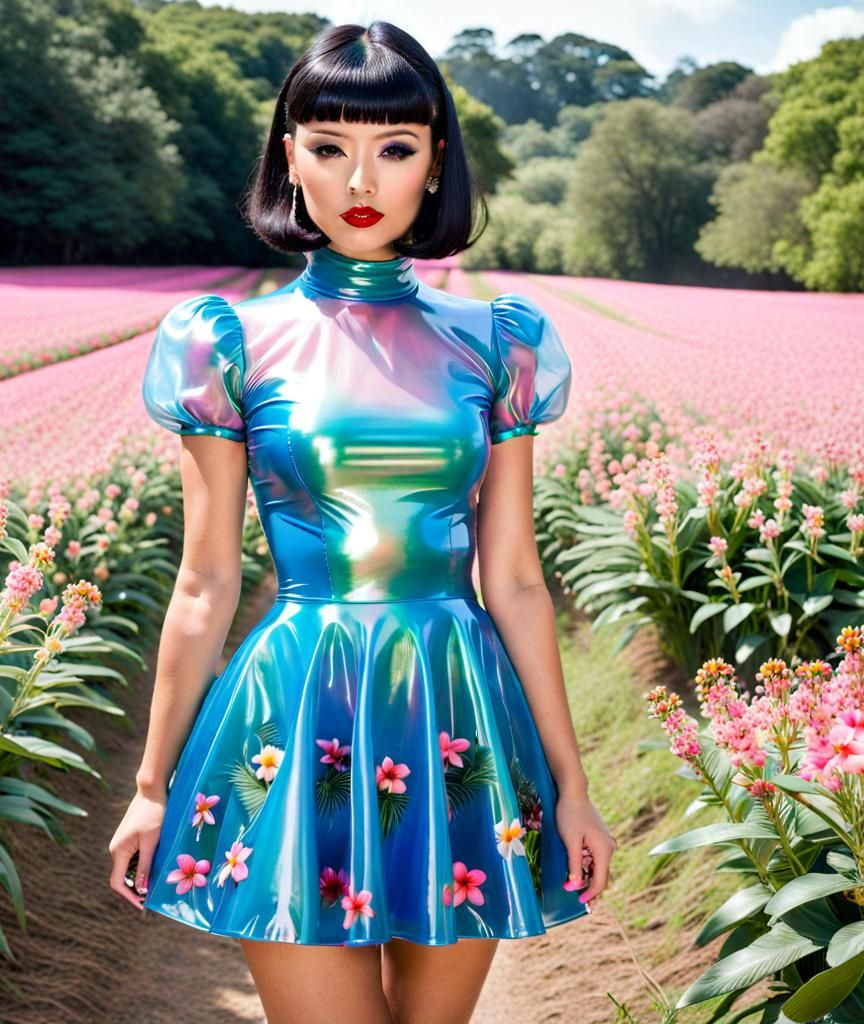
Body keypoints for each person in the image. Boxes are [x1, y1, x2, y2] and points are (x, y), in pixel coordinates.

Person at [109, 20, 616, 1024]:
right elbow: (206, 580)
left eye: (394, 147)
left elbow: (515, 579)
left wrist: (571, 783)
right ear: (288, 157)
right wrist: (152, 785)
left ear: (436, 161)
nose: (359, 179)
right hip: (296, 707)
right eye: (329, 145)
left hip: (458, 706)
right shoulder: (227, 340)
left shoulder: (499, 340)